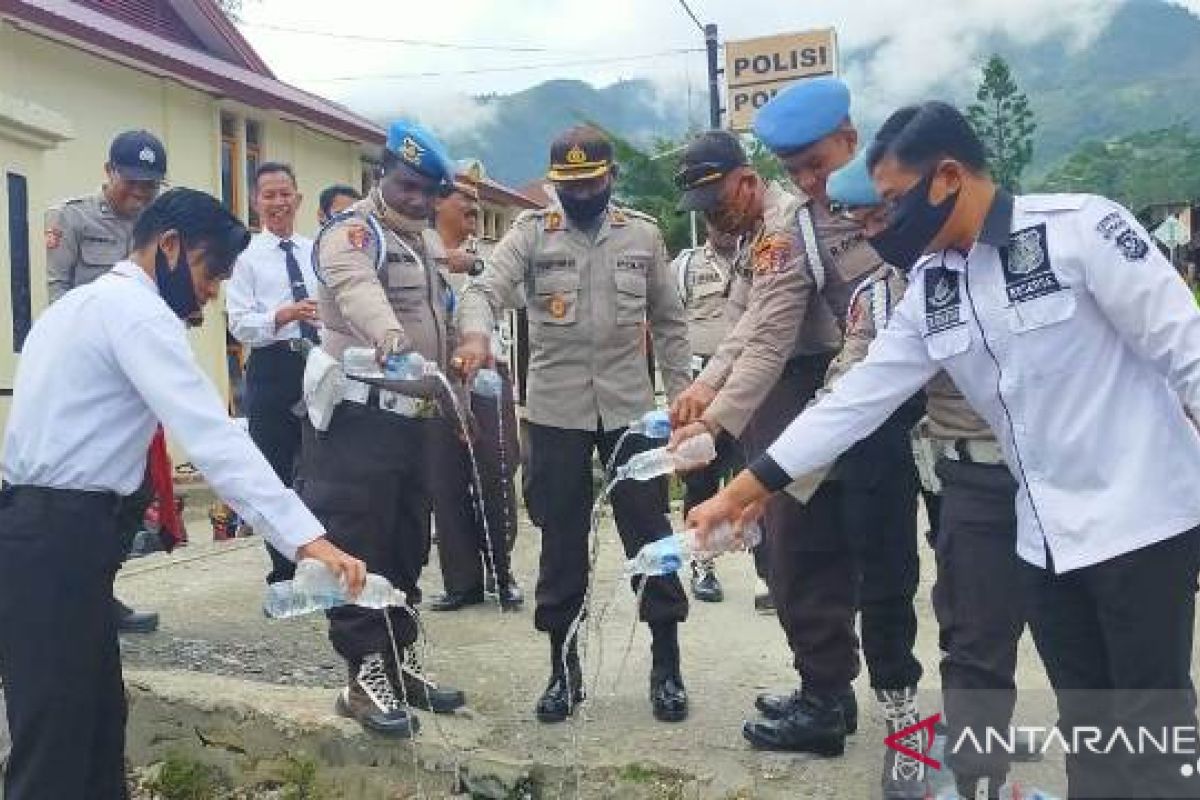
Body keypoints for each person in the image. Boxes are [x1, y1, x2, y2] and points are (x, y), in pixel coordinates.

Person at [689, 100, 1200, 800]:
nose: (880, 225)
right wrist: (743, 490)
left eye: (892, 203)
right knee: (1092, 733)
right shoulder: (934, 286)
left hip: (1143, 525)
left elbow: (1188, 352)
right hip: (1045, 537)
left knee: (1152, 729)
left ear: (949, 177)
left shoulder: (1081, 230)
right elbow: (857, 396)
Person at [0, 188, 365, 800]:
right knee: (58, 736)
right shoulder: (138, 315)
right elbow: (213, 437)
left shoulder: (76, 307)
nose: (212, 291)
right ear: (168, 246)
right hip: (55, 536)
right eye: (209, 272)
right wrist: (307, 539)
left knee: (90, 720)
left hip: (51, 534)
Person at [455, 126, 693, 724]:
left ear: (610, 177)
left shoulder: (641, 234)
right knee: (561, 540)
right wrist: (477, 334)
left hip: (631, 410)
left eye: (589, 183)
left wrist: (685, 401)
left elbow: (669, 322)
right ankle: (563, 670)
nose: (578, 194)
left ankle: (667, 664)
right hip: (557, 413)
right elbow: (483, 289)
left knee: (650, 536)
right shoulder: (530, 233)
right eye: (567, 185)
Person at [667, 88, 871, 761]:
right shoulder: (761, 235)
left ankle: (824, 700)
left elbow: (771, 343)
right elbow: (745, 328)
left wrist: (716, 425)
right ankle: (825, 686)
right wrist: (703, 386)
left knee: (800, 550)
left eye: (718, 202)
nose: (713, 219)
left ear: (747, 182)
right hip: (774, 400)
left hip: (808, 393)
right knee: (780, 551)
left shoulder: (789, 228)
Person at [300, 120, 467, 738]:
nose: (419, 201)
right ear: (381, 176)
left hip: (413, 424)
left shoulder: (421, 246)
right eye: (407, 187)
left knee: (404, 546)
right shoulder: (352, 233)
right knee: (356, 549)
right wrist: (391, 339)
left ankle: (398, 661)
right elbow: (358, 292)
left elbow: (442, 324)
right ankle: (361, 678)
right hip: (357, 421)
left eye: (429, 192)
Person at [44, 128, 170, 634]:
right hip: (86, 383)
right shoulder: (70, 218)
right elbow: (58, 301)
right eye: (133, 182)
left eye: (151, 185)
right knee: (84, 495)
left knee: (137, 492)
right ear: (108, 172)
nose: (141, 193)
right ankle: (68, 595)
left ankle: (98, 588)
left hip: (137, 383)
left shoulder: (160, 228)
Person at [428, 177, 522, 611]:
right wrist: (447, 262)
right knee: (446, 482)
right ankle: (461, 581)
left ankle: (502, 574)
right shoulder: (419, 252)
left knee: (497, 475)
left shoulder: (494, 256)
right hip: (440, 378)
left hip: (488, 376)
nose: (471, 205)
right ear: (437, 203)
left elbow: (519, 298)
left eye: (475, 199)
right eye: (461, 197)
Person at [226, 162, 320, 584]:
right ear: (254, 201)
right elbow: (238, 323)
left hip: (317, 361)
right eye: (269, 195)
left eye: (286, 194)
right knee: (274, 468)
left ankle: (323, 554)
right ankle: (284, 567)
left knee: (321, 462)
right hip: (271, 364)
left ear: (298, 198)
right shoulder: (244, 256)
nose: (279, 203)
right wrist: (282, 316)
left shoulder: (315, 250)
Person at [670, 230, 767, 606]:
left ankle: (766, 574)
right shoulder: (685, 266)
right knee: (700, 481)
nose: (721, 225)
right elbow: (669, 324)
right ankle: (703, 564)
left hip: (750, 384)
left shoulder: (763, 255)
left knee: (756, 476)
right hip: (702, 387)